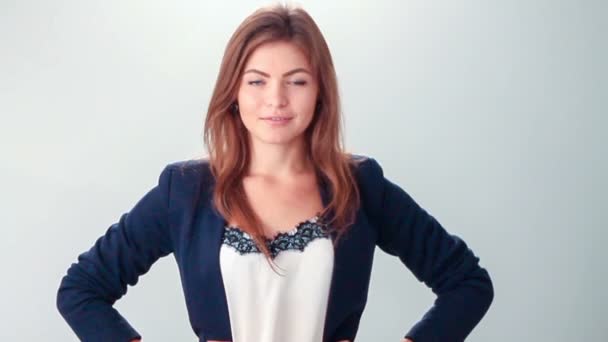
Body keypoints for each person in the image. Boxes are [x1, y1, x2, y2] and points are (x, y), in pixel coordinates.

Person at [56, 4, 494, 342]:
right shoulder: (185, 191)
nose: (277, 100)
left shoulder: (361, 187)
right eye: (257, 81)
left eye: (297, 81)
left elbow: (467, 284)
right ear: (233, 92)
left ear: (321, 91)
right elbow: (80, 289)